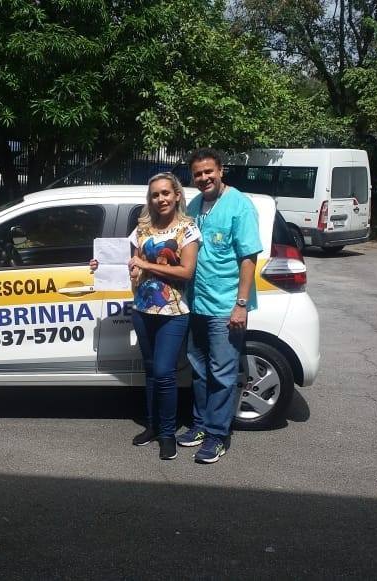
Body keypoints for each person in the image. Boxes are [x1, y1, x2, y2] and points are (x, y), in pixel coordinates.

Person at [90, 173, 200, 460]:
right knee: (150, 371)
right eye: (155, 195)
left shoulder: (187, 229)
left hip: (173, 312)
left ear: (176, 195)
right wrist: (102, 265)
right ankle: (152, 426)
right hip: (142, 310)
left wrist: (144, 263)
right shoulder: (141, 230)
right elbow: (133, 268)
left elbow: (186, 272)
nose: (160, 199)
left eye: (165, 193)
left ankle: (167, 434)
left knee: (164, 372)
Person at [176, 148, 262, 464]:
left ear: (221, 170)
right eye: (198, 174)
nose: (204, 178)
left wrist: (240, 305)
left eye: (208, 172)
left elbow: (248, 257)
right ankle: (199, 425)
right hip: (197, 303)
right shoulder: (196, 205)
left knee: (222, 374)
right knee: (199, 371)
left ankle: (217, 436)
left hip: (225, 307)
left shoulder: (239, 205)